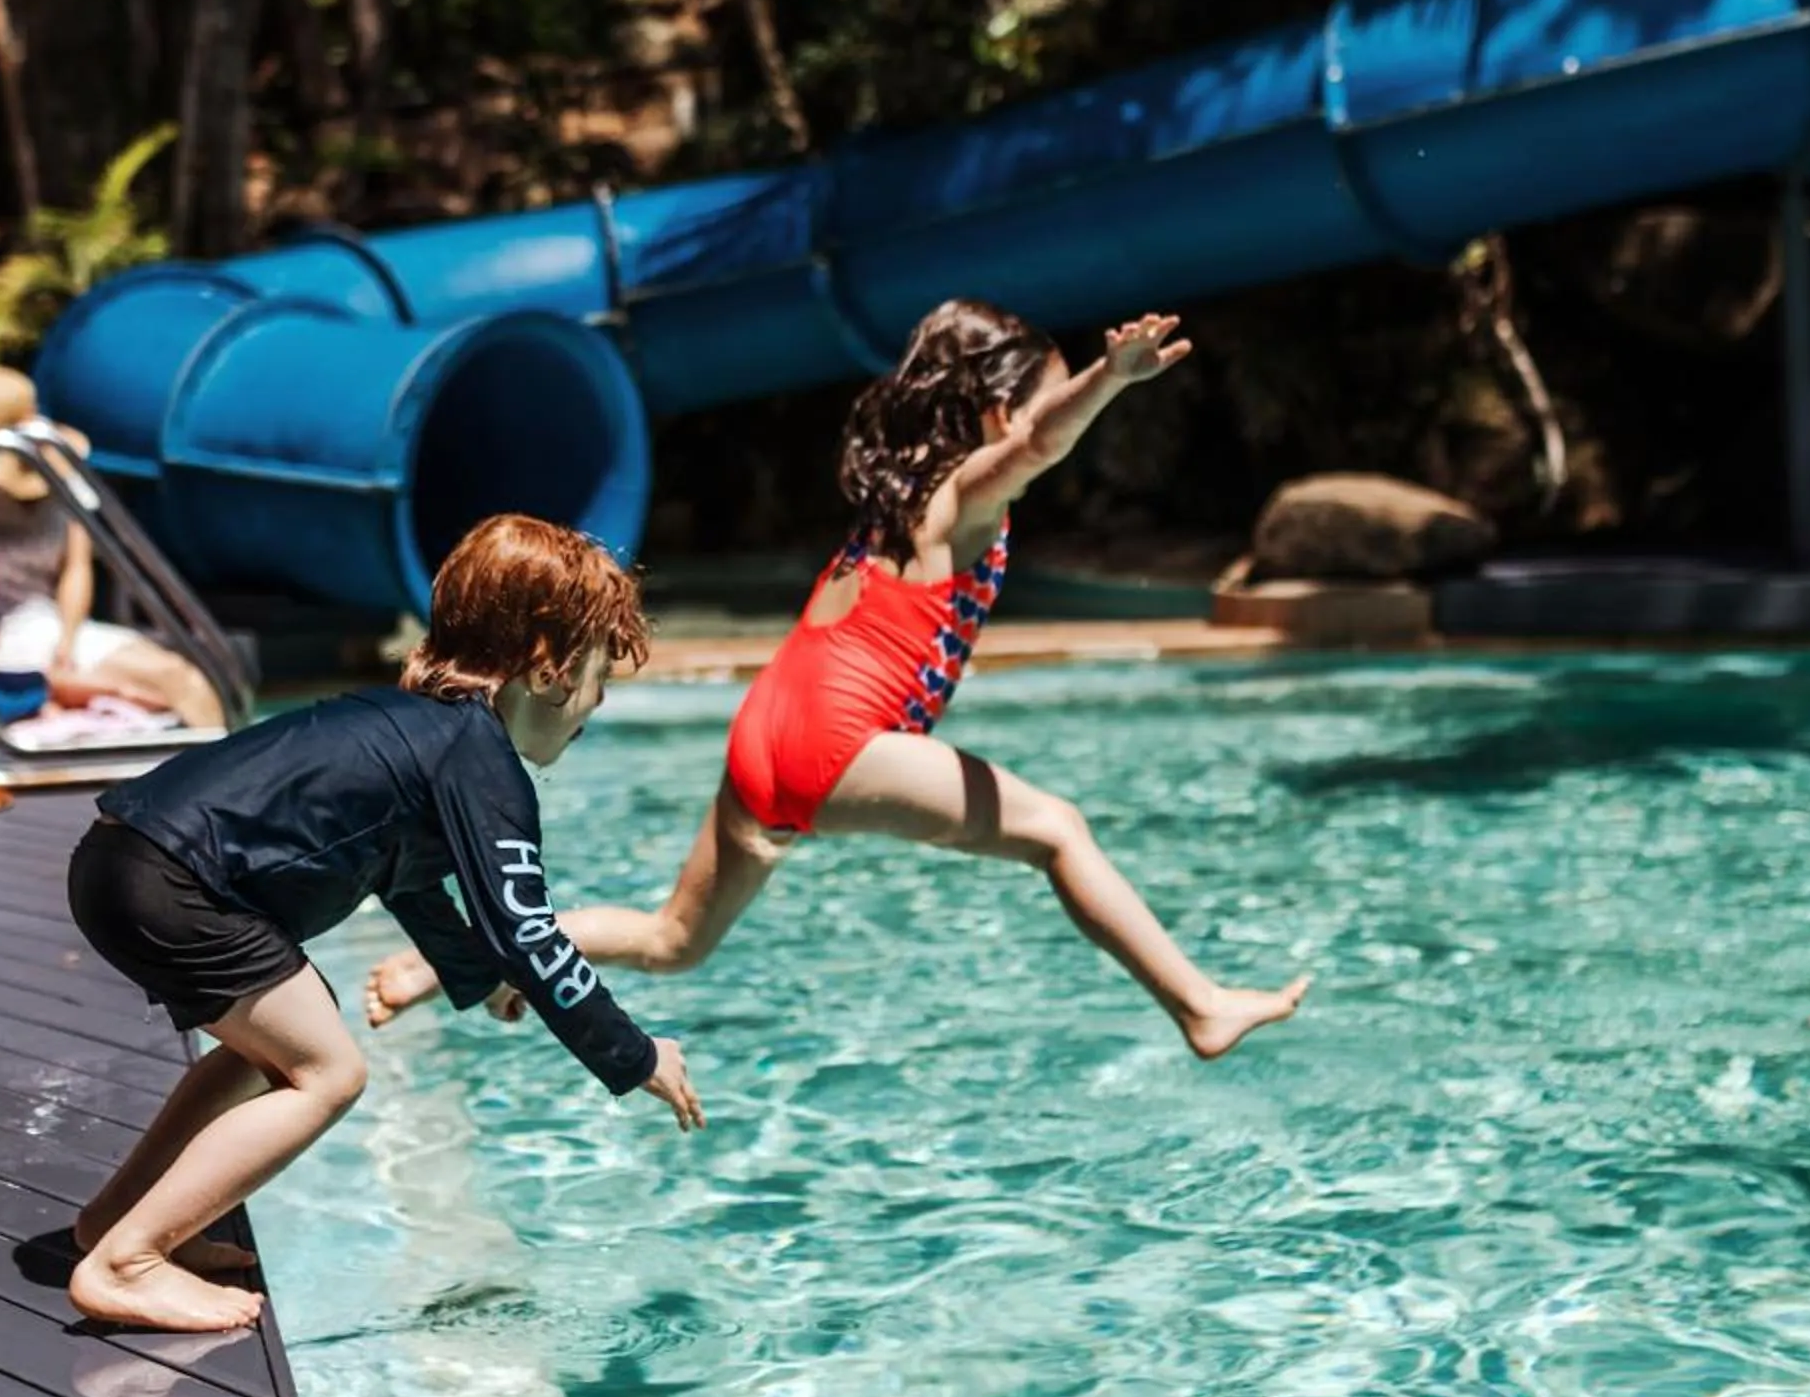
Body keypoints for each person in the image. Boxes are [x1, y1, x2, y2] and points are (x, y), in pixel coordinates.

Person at [364, 301, 1310, 1061]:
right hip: (833, 739)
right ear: (992, 412)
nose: (1054, 427)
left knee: (673, 939)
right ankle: (1199, 1005)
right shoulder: (959, 498)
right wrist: (1113, 377)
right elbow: (1033, 450)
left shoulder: (894, 505)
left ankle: (465, 958)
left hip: (766, 727)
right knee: (1058, 831)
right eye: (1046, 400)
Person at [64, 514, 702, 1334]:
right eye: (598, 680)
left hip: (122, 858)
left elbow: (409, 879)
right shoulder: (478, 755)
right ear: (547, 667)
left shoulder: (414, 725)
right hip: (176, 881)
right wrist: (636, 1053)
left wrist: (480, 977)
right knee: (329, 1072)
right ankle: (129, 1261)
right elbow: (530, 931)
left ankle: (115, 1222)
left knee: (267, 1052)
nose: (595, 708)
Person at [0, 364, 225, 730]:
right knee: (175, 679)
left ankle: (233, 766)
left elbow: (75, 566)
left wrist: (67, 640)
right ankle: (237, 770)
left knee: (183, 678)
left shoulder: (57, 478)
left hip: (37, 622)